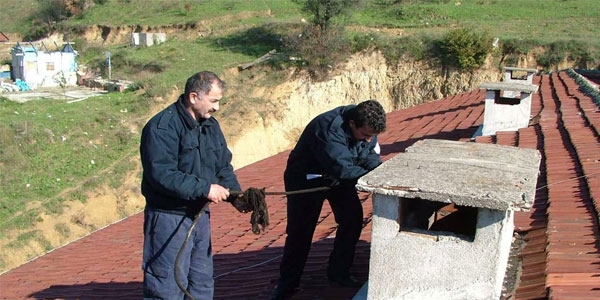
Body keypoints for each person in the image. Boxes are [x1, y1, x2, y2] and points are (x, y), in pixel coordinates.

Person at [140, 71, 244, 300]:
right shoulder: (162, 127)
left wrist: (236, 195)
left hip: (199, 215)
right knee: (166, 285)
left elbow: (222, 166)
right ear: (194, 97)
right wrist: (205, 189)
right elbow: (162, 174)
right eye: (214, 101)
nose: (217, 107)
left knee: (201, 283)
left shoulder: (210, 126)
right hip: (169, 218)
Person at [269, 100, 387, 300]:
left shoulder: (367, 130)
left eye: (372, 136)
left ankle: (339, 273)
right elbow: (344, 170)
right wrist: (372, 178)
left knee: (352, 219)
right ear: (352, 124)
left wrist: (380, 171)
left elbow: (369, 158)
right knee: (301, 232)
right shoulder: (327, 129)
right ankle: (287, 284)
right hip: (307, 179)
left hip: (338, 178)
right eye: (365, 135)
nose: (369, 140)